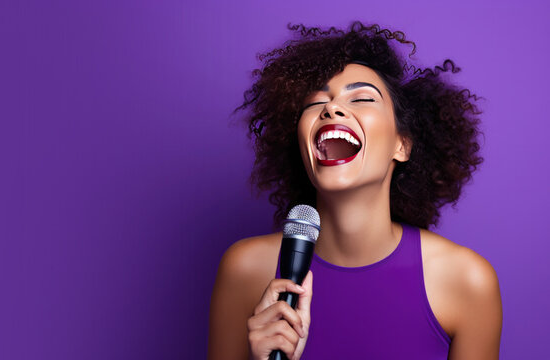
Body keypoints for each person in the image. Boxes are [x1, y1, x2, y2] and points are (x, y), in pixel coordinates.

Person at [208, 22, 502, 360]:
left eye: (361, 98)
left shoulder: (467, 281)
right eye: (314, 103)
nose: (331, 109)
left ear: (401, 144)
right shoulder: (245, 270)